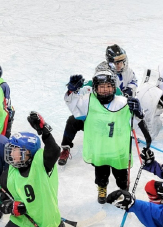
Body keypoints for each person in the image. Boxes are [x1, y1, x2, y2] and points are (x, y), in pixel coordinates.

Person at [64, 69, 151, 203]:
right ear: (95, 88)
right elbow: (74, 107)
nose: (105, 90)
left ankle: (123, 190)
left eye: (108, 86)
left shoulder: (123, 102)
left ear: (114, 87)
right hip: (100, 149)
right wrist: (71, 91)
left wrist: (139, 112)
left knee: (121, 175)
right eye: (102, 87)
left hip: (118, 150)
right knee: (101, 173)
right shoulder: (87, 101)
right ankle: (102, 188)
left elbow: (135, 123)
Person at [0, 112, 64, 227]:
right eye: (11, 150)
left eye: (17, 151)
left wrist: (44, 131)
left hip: (46, 220)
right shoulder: (9, 171)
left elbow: (54, 150)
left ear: (29, 154)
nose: (12, 154)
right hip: (23, 219)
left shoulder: (42, 162)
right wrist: (8, 206)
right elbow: (3, 198)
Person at [58, 44, 138, 166]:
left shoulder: (127, 74)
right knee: (72, 121)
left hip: (111, 120)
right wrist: (72, 90)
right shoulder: (92, 85)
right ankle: (65, 148)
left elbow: (133, 83)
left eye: (122, 61)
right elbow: (77, 97)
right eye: (117, 62)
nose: (120, 65)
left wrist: (128, 93)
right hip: (95, 120)